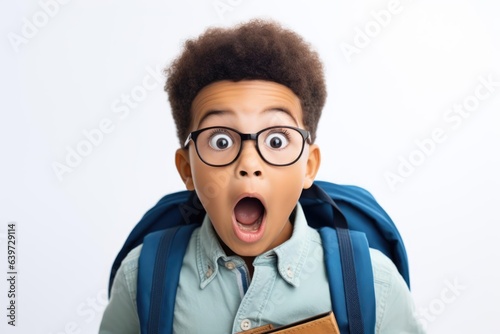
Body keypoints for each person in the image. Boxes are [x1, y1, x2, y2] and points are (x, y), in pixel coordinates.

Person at [99, 19, 424, 333]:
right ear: (187, 169)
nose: (249, 163)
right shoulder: (141, 276)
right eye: (221, 140)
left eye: (276, 140)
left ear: (308, 165)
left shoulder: (376, 282)